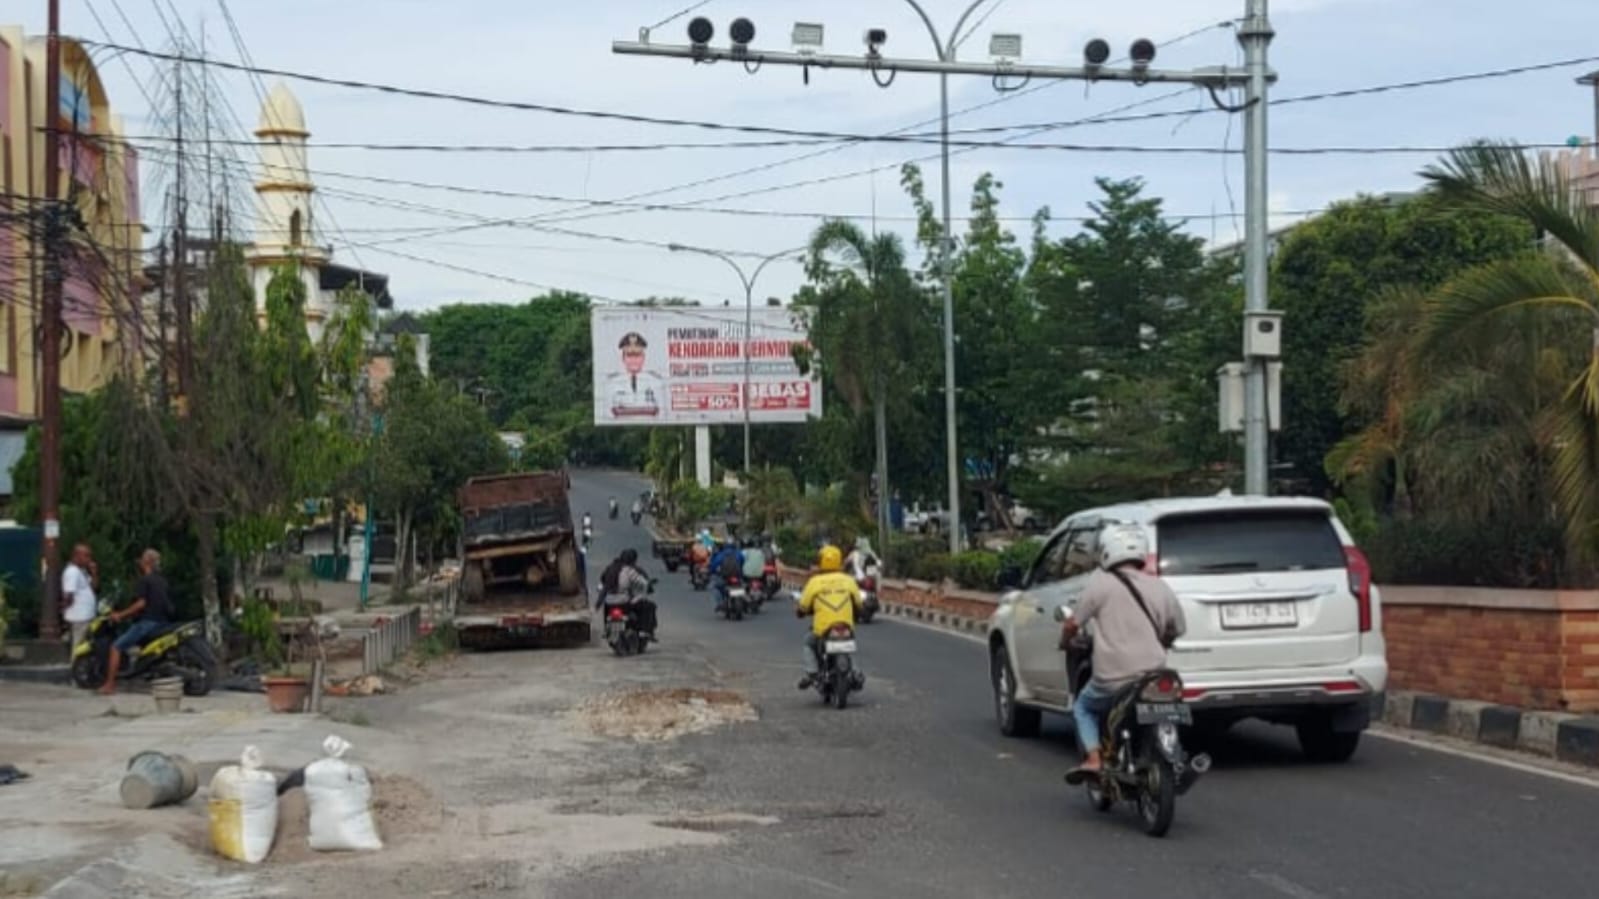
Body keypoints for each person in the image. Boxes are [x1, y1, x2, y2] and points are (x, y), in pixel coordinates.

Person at [1061, 524, 1187, 777]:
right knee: (1168, 704)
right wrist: (1163, 640)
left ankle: (1094, 759)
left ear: (1106, 551)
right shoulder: (1160, 586)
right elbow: (1177, 627)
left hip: (1113, 679)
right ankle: (1172, 752)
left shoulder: (1100, 584)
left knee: (1083, 707)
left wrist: (1065, 640)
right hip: (1154, 675)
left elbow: (1074, 623)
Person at [100, 549, 173, 695]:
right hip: (163, 623)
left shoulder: (145, 580)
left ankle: (109, 684)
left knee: (116, 647)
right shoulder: (162, 581)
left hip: (148, 623)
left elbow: (140, 604)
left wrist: (120, 615)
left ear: (146, 562)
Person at [795, 545, 863, 690]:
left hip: (823, 628)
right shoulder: (848, 580)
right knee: (849, 647)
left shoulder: (815, 582)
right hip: (845, 625)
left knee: (808, 643)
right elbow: (858, 603)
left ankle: (812, 672)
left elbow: (803, 606)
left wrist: (801, 612)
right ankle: (856, 673)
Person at [597, 549, 657, 637]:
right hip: (624, 601)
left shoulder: (610, 568)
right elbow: (642, 582)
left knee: (607, 609)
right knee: (647, 606)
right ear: (633, 560)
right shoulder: (630, 570)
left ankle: (606, 629)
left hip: (609, 601)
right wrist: (648, 585)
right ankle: (644, 630)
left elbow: (602, 580)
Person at [62, 543, 99, 649]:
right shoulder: (72, 572)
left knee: (84, 646)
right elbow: (68, 595)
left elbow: (94, 588)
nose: (89, 559)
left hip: (86, 616)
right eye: (86, 556)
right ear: (76, 555)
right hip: (79, 616)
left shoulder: (81, 571)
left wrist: (94, 573)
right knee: (78, 646)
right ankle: (76, 665)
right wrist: (65, 609)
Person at [709, 541, 744, 610]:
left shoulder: (721, 554)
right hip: (737, 576)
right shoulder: (738, 553)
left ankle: (720, 603)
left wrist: (712, 571)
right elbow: (742, 561)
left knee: (714, 586)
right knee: (743, 586)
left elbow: (714, 565)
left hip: (725, 577)